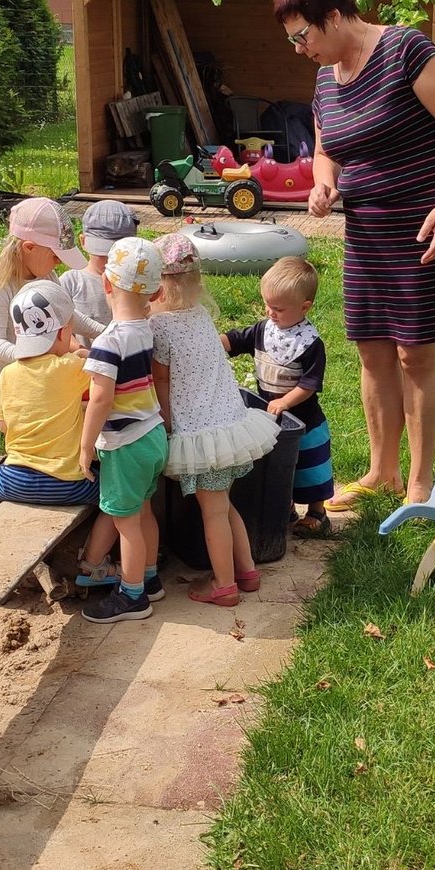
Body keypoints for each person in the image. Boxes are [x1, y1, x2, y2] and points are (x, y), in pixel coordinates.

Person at [274, 0, 435, 507]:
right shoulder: (325, 75)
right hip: (368, 228)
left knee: (415, 353)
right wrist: (324, 185)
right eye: (293, 40)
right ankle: (381, 471)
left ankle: (419, 480)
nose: (300, 49)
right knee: (371, 350)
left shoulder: (407, 52)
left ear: (336, 16)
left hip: (425, 221)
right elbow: (326, 149)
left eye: (303, 36)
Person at [149, 234, 281, 606]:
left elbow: (161, 379)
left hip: (200, 434)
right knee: (224, 505)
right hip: (230, 426)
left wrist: (166, 420)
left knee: (213, 512)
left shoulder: (161, 328)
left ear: (156, 288)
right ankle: (247, 571)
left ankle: (224, 585)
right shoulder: (201, 316)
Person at [79, 236, 170, 624]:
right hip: (153, 435)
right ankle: (149, 579)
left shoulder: (108, 343)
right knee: (144, 511)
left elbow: (100, 401)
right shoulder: (144, 331)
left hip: (125, 444)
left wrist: (86, 446)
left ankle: (132, 596)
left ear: (106, 284)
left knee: (125, 523)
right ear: (157, 292)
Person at [223, 256, 335, 535]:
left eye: (278, 309)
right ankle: (284, 507)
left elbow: (309, 384)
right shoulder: (264, 330)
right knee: (278, 466)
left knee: (310, 467)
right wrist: (214, 342)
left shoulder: (310, 344)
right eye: (267, 305)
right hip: (271, 417)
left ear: (304, 307)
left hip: (305, 419)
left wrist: (285, 401)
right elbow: (237, 339)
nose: (270, 312)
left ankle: (318, 513)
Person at [0, 280, 103, 515]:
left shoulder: (7, 373)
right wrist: (83, 352)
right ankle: (93, 552)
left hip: (14, 479)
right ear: (62, 332)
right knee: (115, 496)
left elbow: (3, 425)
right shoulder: (72, 367)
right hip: (67, 482)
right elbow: (103, 371)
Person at [0, 197, 100, 428]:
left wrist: (102, 331)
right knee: (17, 442)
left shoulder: (48, 277)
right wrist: (33, 355)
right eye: (55, 256)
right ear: (29, 248)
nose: (58, 264)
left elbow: (66, 314)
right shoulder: (0, 289)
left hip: (40, 379)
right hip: (9, 382)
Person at [60, 199, 138, 342]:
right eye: (102, 253)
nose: (110, 260)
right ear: (83, 242)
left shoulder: (138, 281)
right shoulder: (72, 282)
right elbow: (60, 327)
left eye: (120, 255)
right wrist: (80, 351)